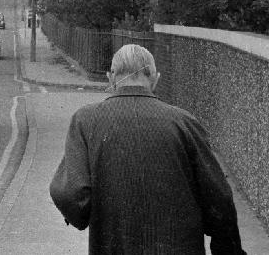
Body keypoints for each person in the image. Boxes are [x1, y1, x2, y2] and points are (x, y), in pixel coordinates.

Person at [49, 44, 246, 254]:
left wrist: (79, 214)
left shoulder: (85, 121)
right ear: (155, 78)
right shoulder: (184, 123)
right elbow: (219, 198)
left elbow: (70, 195)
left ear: (111, 77)